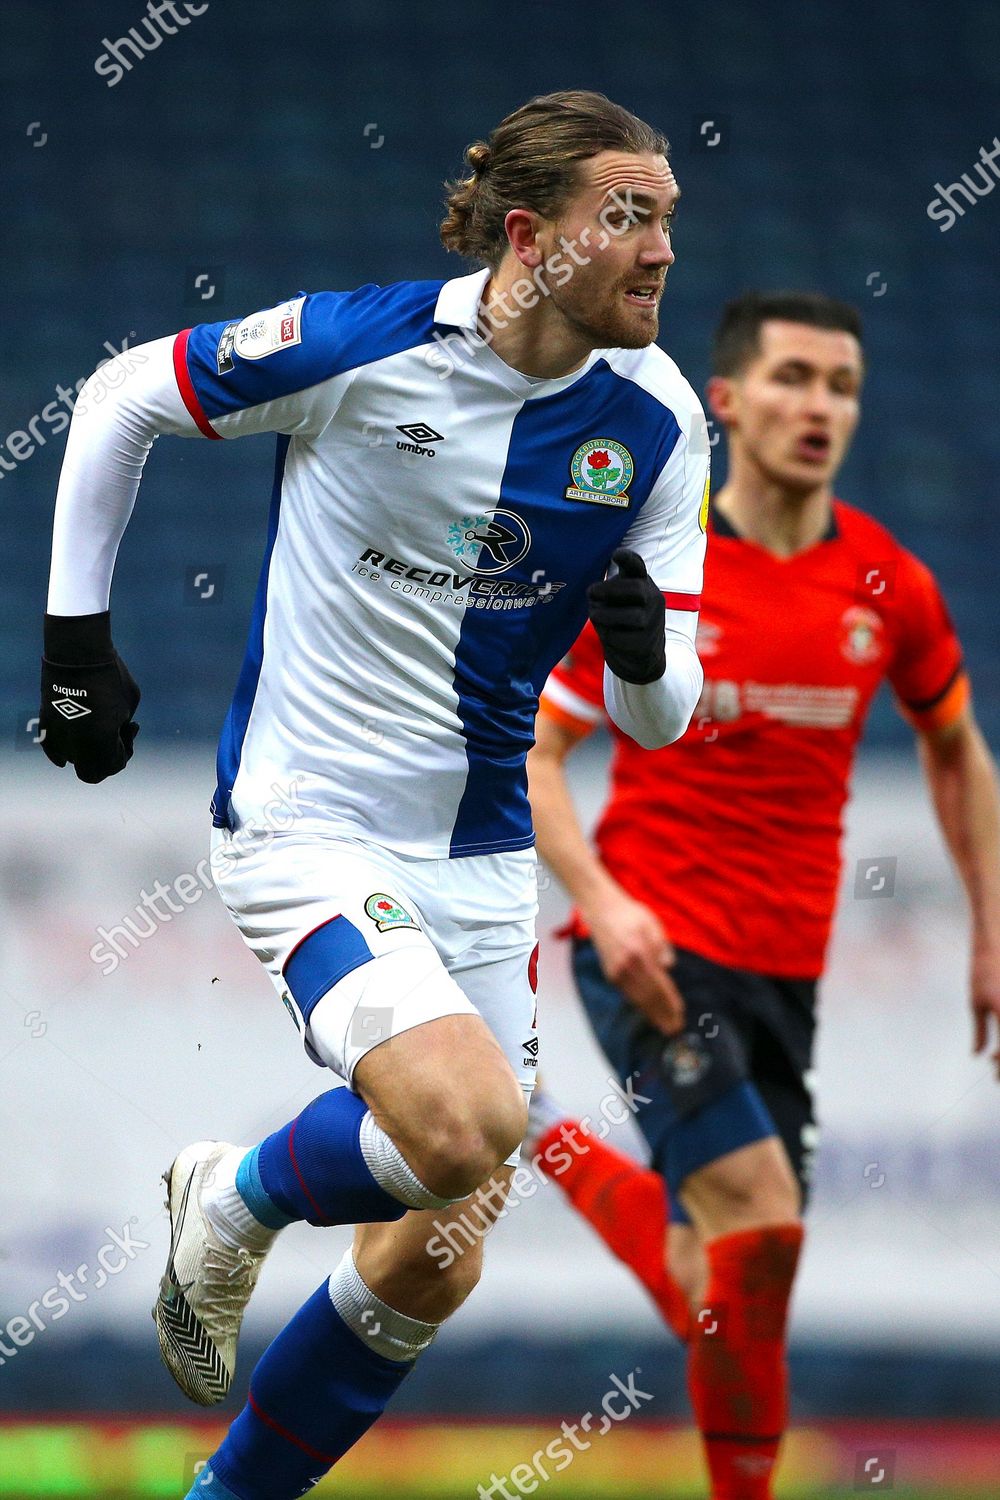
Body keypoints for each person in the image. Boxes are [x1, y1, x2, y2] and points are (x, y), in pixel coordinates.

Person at [39, 90, 710, 1499]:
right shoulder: (365, 347)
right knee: (465, 1127)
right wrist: (74, 644)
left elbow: (660, 719)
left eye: (667, 221)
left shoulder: (655, 423)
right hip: (308, 822)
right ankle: (232, 1195)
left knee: (439, 1247)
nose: (660, 253)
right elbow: (120, 397)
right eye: (628, 218)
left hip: (480, 855)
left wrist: (648, 656)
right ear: (533, 237)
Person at [526, 290, 1000, 1500]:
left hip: (785, 966)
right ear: (727, 402)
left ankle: (542, 1138)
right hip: (650, 944)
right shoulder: (660, 574)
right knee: (766, 1218)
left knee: (721, 1286)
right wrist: (600, 899)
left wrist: (991, 935)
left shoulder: (887, 585)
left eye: (841, 386)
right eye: (793, 378)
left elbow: (956, 751)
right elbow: (536, 750)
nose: (820, 406)